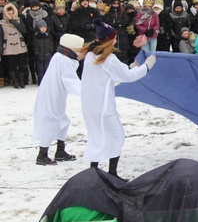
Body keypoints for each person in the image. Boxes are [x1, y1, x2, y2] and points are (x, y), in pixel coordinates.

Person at [81, 18, 156, 180]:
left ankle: (94, 173)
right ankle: (111, 173)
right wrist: (147, 66)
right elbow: (128, 77)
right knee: (116, 136)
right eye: (114, 37)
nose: (116, 39)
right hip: (103, 107)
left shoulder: (91, 55)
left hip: (90, 105)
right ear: (109, 40)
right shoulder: (108, 59)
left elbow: (114, 73)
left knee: (96, 137)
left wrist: (133, 66)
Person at [32, 33, 84, 166]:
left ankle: (60, 151)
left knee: (63, 121)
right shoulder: (64, 61)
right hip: (52, 97)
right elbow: (70, 81)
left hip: (55, 95)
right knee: (50, 122)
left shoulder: (60, 57)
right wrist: (85, 90)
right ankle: (42, 155)